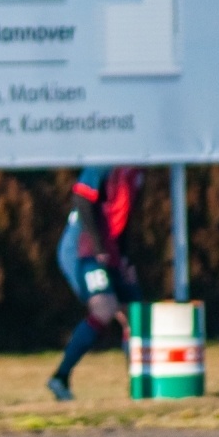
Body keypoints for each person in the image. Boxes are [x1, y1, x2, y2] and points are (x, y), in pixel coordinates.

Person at [47, 165, 144, 401]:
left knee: (137, 314)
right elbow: (82, 200)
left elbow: (123, 218)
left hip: (108, 251)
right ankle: (60, 377)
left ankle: (139, 385)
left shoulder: (138, 170)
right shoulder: (105, 163)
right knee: (104, 307)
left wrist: (124, 257)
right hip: (83, 250)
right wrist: (99, 247)